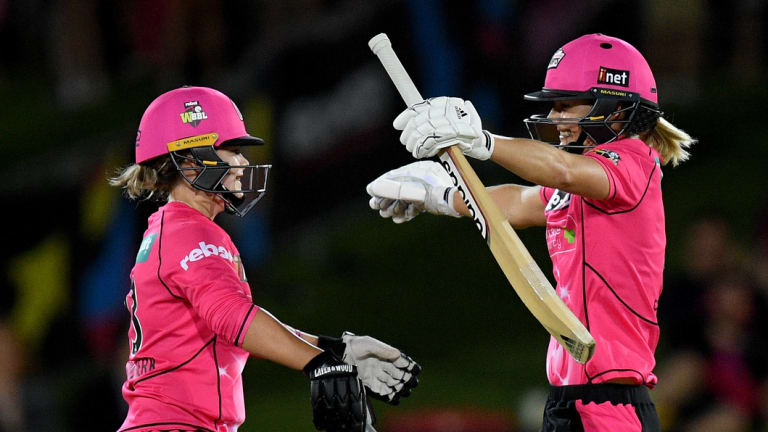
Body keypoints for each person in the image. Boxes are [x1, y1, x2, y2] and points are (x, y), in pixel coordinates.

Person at [366, 34, 695, 431]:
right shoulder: (581, 186)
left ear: (614, 106)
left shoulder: (632, 163)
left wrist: (481, 141)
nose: (554, 119)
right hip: (568, 401)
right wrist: (439, 195)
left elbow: (561, 169)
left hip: (610, 405)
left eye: (565, 105)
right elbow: (519, 203)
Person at [109, 86, 420, 432]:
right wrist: (318, 363)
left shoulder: (173, 230)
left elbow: (228, 327)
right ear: (189, 161)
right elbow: (231, 316)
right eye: (232, 150)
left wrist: (331, 349)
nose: (243, 163)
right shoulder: (190, 233)